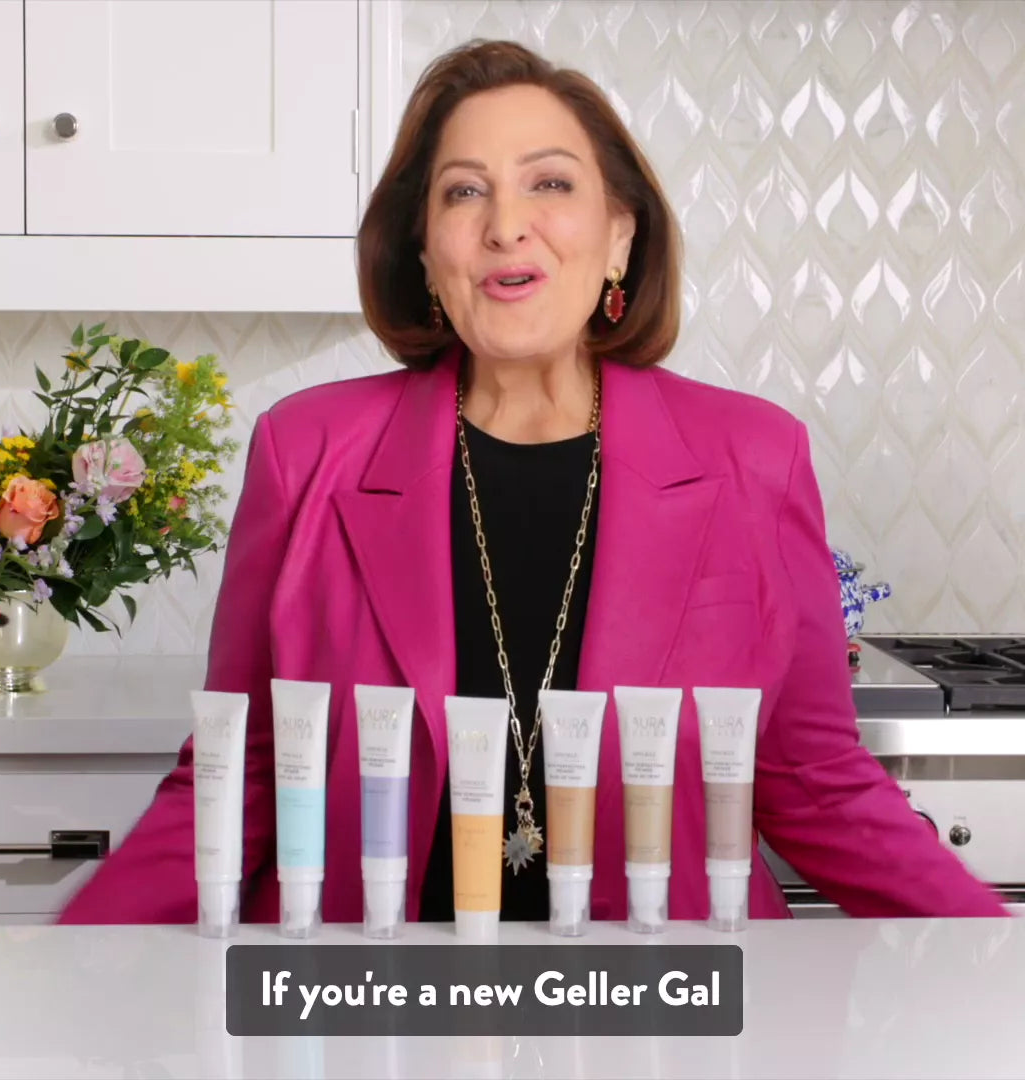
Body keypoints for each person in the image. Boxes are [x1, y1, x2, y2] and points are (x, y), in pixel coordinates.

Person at [57, 39, 1007, 926]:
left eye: (549, 183)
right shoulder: (307, 451)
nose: (507, 226)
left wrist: (994, 959)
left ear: (621, 236)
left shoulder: (752, 456)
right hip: (364, 1015)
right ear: (427, 253)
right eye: (464, 193)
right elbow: (243, 773)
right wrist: (59, 978)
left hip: (667, 1018)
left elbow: (814, 782)